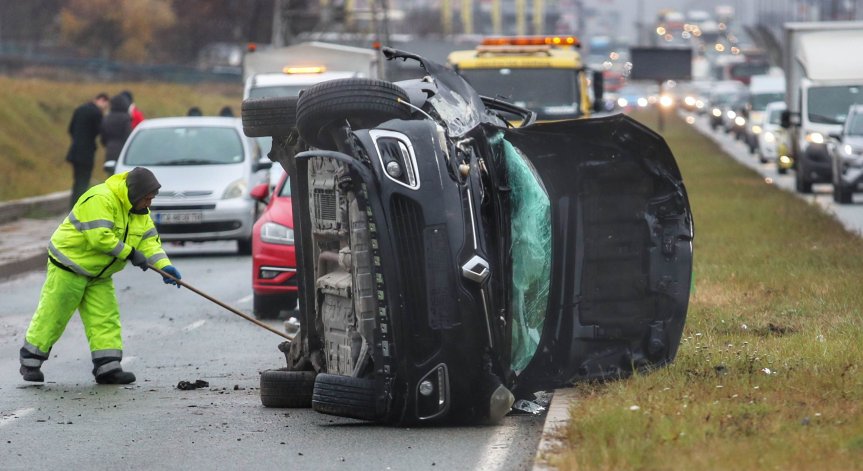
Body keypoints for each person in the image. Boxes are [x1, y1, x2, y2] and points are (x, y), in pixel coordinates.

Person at [19, 167, 183, 385]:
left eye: (151, 199)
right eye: (147, 198)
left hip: (99, 274)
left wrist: (164, 266)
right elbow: (99, 238)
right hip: (70, 265)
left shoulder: (140, 213)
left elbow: (149, 241)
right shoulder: (100, 198)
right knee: (54, 315)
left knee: (105, 318)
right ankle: (30, 362)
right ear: (135, 194)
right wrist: (130, 253)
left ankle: (108, 368)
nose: (149, 204)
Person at [66, 93, 109, 209]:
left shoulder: (79, 109)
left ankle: (72, 207)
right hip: (87, 152)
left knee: (77, 181)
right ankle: (79, 208)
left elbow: (70, 129)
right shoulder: (96, 113)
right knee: (83, 182)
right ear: (102, 100)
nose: (105, 108)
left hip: (74, 151)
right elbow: (100, 131)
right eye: (105, 105)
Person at [100, 94, 132, 174]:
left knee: (111, 174)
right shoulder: (126, 117)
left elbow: (103, 136)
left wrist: (107, 143)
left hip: (110, 148)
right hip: (123, 148)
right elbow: (127, 134)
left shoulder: (107, 117)